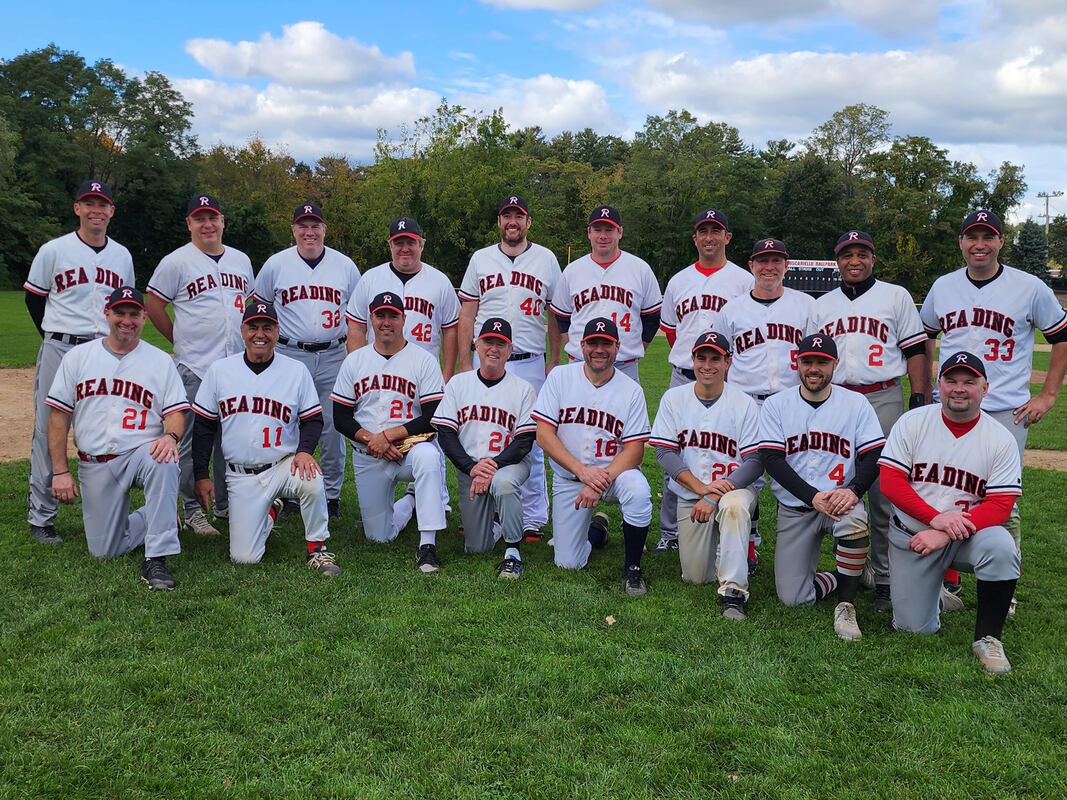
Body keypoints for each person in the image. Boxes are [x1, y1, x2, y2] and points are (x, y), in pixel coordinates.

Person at [919, 209, 1067, 613]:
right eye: (972, 236)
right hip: (947, 407)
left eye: (988, 236)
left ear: (1002, 241)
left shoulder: (1029, 286)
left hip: (1005, 412)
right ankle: (946, 580)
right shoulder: (944, 286)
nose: (979, 244)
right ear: (961, 243)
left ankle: (1004, 582)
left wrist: (1048, 395)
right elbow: (925, 335)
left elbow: (1062, 337)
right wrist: (931, 385)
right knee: (942, 488)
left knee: (1004, 500)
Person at [878, 351, 1021, 674]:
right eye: (951, 381)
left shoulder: (1000, 439)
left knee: (1001, 546)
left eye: (969, 382)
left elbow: (1001, 505)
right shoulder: (913, 422)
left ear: (985, 388)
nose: (959, 388)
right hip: (914, 536)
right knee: (914, 628)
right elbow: (890, 482)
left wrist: (942, 531)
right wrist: (935, 519)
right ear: (938, 386)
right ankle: (936, 595)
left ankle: (988, 639)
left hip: (968, 535)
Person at [811, 230, 929, 612]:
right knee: (834, 482)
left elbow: (915, 350)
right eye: (847, 255)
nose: (855, 261)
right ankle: (847, 567)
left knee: (882, 492)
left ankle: (884, 578)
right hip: (836, 399)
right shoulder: (822, 304)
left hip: (883, 396)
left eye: (862, 253)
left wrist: (919, 397)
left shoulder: (895, 296)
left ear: (873, 259)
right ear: (838, 261)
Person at [46, 286, 187, 589]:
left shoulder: (160, 361)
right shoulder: (78, 358)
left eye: (133, 313)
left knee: (164, 459)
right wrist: (60, 471)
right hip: (94, 461)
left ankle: (157, 560)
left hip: (141, 451)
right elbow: (58, 416)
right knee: (105, 551)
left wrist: (170, 436)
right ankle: (159, 515)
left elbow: (176, 412)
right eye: (120, 312)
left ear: (144, 317)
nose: (127, 320)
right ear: (106, 314)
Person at [191, 301, 340, 575]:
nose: (260, 334)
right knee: (245, 558)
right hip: (241, 475)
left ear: (277, 331)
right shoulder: (220, 371)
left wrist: (305, 451)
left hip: (285, 464)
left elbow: (313, 419)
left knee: (312, 479)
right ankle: (272, 511)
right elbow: (203, 426)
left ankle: (318, 549)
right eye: (254, 327)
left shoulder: (295, 370)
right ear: (242, 331)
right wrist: (201, 474)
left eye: (267, 328)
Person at [24, 179, 135, 544]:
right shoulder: (53, 250)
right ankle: (42, 516)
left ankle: (107, 504)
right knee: (47, 429)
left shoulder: (121, 256)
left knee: (107, 426)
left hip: (103, 351)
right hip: (61, 345)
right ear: (77, 209)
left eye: (102, 205)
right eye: (89, 204)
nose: (96, 210)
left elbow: (124, 306)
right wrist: (54, 337)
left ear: (111, 212)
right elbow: (34, 300)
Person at [759, 334, 885, 640]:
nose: (814, 369)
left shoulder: (856, 403)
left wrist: (854, 490)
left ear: (834, 365)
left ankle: (846, 603)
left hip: (841, 502)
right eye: (808, 362)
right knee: (793, 599)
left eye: (822, 362)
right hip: (796, 507)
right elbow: (772, 460)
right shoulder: (777, 404)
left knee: (855, 522)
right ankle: (848, 573)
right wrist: (812, 496)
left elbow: (873, 455)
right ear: (797, 363)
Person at [146, 193, 254, 537]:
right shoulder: (176, 261)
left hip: (234, 366)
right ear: (189, 224)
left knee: (229, 439)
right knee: (190, 441)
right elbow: (154, 305)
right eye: (199, 218)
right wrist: (178, 341)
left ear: (222, 221)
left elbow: (247, 308)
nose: (207, 224)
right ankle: (192, 509)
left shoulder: (241, 260)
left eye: (213, 217)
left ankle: (223, 503)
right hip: (194, 365)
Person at [457, 194, 562, 541]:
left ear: (528, 222)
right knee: (479, 434)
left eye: (518, 216)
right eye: (506, 216)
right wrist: (462, 361)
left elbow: (556, 316)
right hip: (484, 358)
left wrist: (555, 361)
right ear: (499, 222)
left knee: (530, 439)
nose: (512, 221)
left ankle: (532, 516)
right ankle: (482, 509)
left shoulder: (546, 259)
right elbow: (468, 313)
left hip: (530, 361)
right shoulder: (480, 258)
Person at [653, 208, 753, 553]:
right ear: (695, 238)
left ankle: (743, 532)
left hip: (728, 379)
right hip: (683, 374)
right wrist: (693, 365)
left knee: (732, 453)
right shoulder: (679, 280)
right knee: (676, 455)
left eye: (716, 230)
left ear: (727, 237)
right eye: (703, 231)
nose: (709, 237)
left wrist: (716, 369)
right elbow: (671, 330)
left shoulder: (743, 279)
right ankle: (671, 532)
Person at [254, 202, 361, 519]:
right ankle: (288, 491)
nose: (309, 231)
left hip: (333, 354)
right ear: (293, 230)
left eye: (315, 225)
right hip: (288, 353)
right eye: (303, 225)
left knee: (331, 427)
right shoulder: (276, 264)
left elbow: (358, 315)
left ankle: (330, 495)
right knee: (286, 423)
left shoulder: (345, 266)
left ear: (325, 230)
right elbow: (259, 309)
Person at [532, 317, 653, 595]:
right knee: (568, 563)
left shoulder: (631, 390)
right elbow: (544, 435)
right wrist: (583, 472)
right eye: (593, 343)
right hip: (571, 477)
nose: (600, 349)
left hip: (613, 475)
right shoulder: (560, 377)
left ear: (617, 347)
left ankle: (632, 567)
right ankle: (598, 528)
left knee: (638, 489)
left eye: (606, 344)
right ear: (582, 345)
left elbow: (634, 451)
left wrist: (598, 480)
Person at [718, 237, 816, 572]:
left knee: (799, 472)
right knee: (746, 475)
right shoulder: (731, 310)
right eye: (762, 261)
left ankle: (804, 545)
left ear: (786, 265)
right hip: (746, 403)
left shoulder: (805, 306)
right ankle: (747, 545)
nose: (769, 267)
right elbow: (721, 359)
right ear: (751, 266)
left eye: (776, 261)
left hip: (793, 403)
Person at [331, 292, 447, 573]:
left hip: (409, 450)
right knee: (379, 537)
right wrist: (375, 440)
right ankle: (411, 499)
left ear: (404, 319)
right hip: (369, 453)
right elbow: (340, 418)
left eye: (393, 315)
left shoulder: (423, 360)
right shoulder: (355, 361)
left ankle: (427, 545)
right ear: (371, 319)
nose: (386, 322)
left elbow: (434, 417)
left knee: (429, 458)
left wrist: (390, 435)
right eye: (380, 315)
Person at [651, 331, 763, 619]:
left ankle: (734, 591)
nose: (707, 365)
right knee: (696, 576)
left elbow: (755, 461)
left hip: (735, 488)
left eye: (716, 358)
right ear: (693, 360)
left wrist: (713, 494)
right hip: (693, 495)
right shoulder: (674, 398)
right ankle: (733, 546)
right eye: (701, 358)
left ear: (728, 362)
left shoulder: (744, 403)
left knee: (734, 508)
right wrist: (702, 489)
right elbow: (664, 453)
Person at [433, 318, 537, 577]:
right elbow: (445, 434)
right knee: (476, 548)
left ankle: (512, 550)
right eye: (488, 342)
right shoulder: (458, 383)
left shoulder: (523, 389)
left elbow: (525, 441)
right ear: (476, 346)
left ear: (510, 350)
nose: (494, 348)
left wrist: (490, 468)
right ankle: (499, 520)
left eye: (501, 344)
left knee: (502, 483)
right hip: (470, 468)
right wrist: (472, 469)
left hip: (510, 464)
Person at [550, 205, 662, 383]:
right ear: (589, 233)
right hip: (579, 364)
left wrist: (634, 348)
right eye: (597, 229)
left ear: (620, 232)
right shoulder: (573, 271)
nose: (603, 235)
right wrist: (578, 347)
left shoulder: (640, 269)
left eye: (609, 229)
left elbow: (652, 317)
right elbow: (562, 317)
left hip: (625, 365)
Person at [344, 217, 460, 378]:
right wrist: (357, 371)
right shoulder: (370, 279)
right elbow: (356, 327)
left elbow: (451, 331)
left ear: (421, 245)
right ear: (390, 245)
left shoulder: (440, 282)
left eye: (410, 242)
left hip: (424, 373)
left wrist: (446, 377)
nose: (404, 248)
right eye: (398, 243)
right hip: (377, 372)